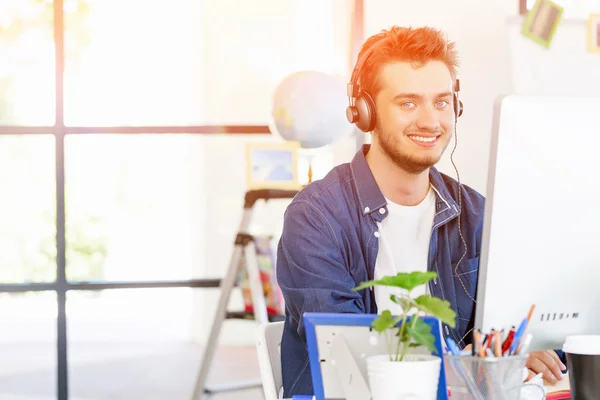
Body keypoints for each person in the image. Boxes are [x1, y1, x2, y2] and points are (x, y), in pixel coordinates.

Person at [275, 25, 565, 397]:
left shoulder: (475, 214)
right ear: (365, 112)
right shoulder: (315, 216)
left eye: (442, 102)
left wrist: (530, 350)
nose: (431, 121)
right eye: (408, 103)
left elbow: (523, 322)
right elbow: (348, 354)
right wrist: (472, 368)